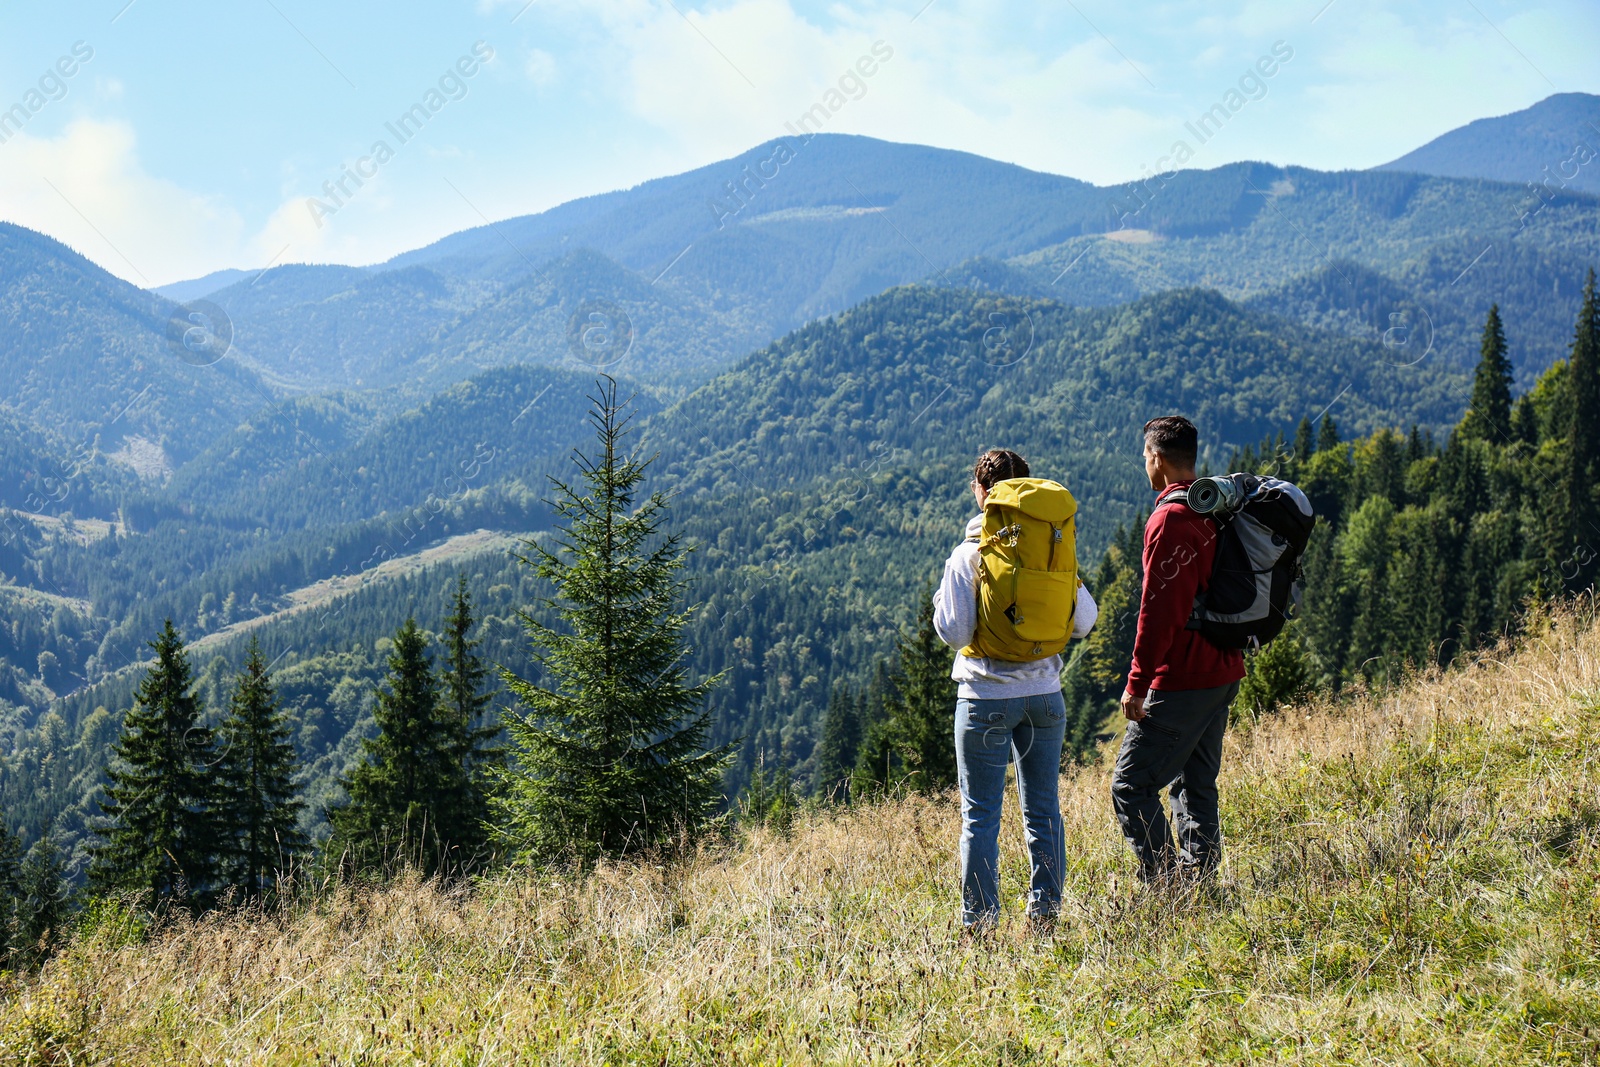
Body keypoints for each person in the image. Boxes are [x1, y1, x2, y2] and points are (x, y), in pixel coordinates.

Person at [933, 448, 1097, 929]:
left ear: (981, 493)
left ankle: (980, 923)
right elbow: (1085, 621)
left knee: (981, 816)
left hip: (985, 698)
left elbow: (956, 632)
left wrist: (942, 598)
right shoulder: (1051, 550)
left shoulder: (969, 555)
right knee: (1043, 805)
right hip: (1045, 695)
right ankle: (1045, 913)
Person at [1112, 416, 1246, 883]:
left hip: (1185, 676)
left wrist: (1137, 683)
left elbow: (1158, 612)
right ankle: (1199, 885)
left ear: (1156, 457)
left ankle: (1170, 888)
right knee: (1195, 782)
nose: (1143, 464)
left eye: (1143, 456)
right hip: (1223, 669)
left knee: (1131, 785)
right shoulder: (1212, 508)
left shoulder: (1170, 520)